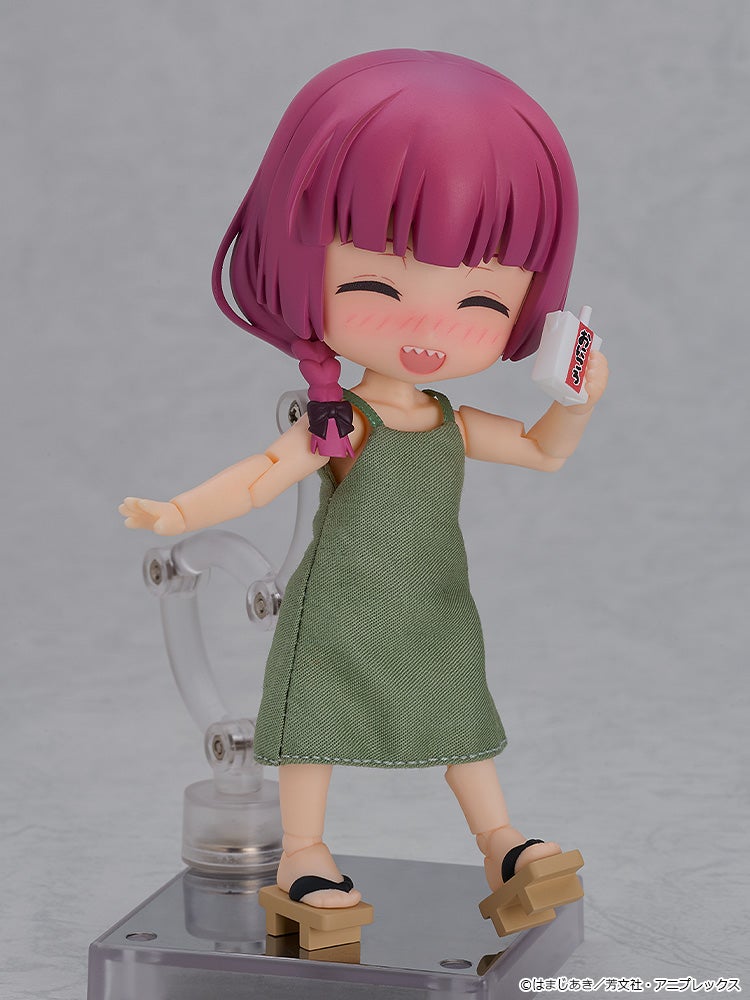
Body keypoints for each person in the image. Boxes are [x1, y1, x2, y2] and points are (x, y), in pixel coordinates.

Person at [120, 50, 608, 924]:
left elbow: (542, 452)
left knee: (463, 723)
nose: (429, 327)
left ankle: (501, 843)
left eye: (480, 303)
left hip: (434, 608)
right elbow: (266, 475)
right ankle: (303, 856)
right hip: (342, 608)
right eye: (377, 286)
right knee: (314, 728)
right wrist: (180, 512)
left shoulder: (449, 419)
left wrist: (577, 402)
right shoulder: (342, 421)